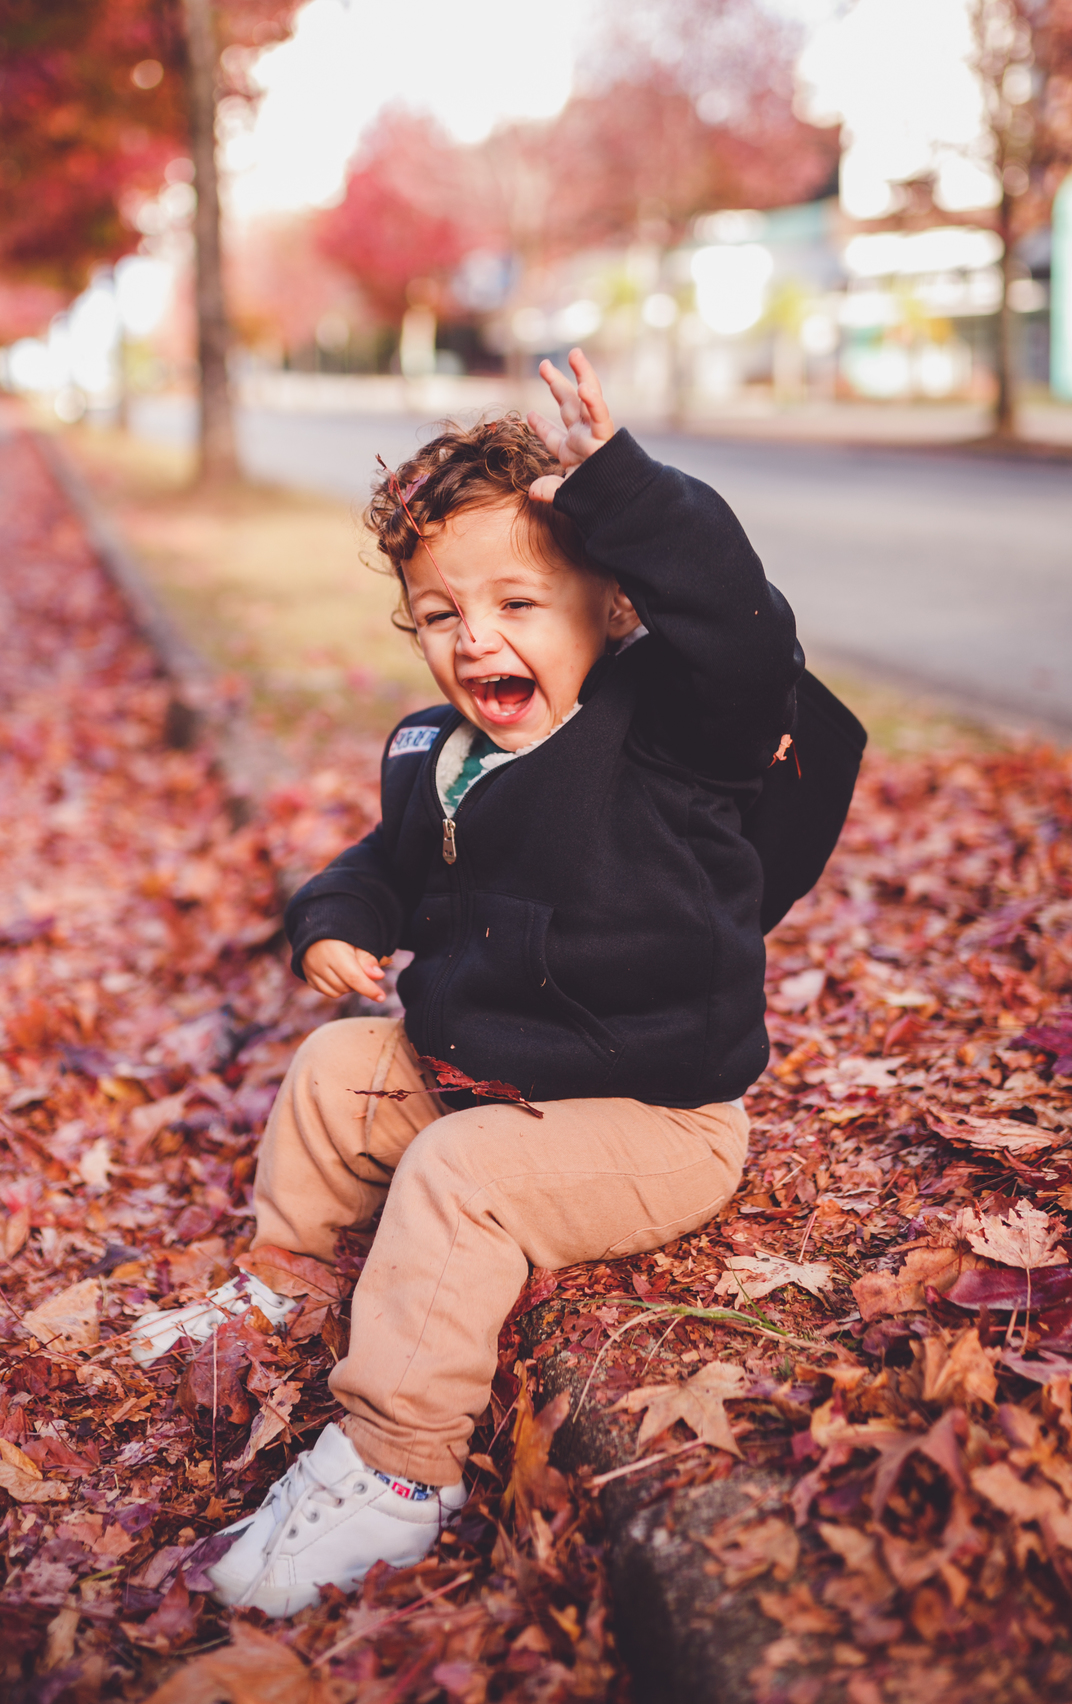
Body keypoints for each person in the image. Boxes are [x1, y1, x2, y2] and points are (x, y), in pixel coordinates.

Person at [132, 350, 804, 1618]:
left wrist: (624, 490)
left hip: (654, 1116)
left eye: (518, 604)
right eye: (442, 614)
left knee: (460, 1178)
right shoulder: (438, 752)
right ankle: (281, 1281)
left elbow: (742, 628)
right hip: (496, 1067)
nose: (476, 637)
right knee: (337, 1067)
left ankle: (396, 1469)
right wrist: (333, 916)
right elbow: (381, 864)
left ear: (609, 608)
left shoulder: (670, 728)